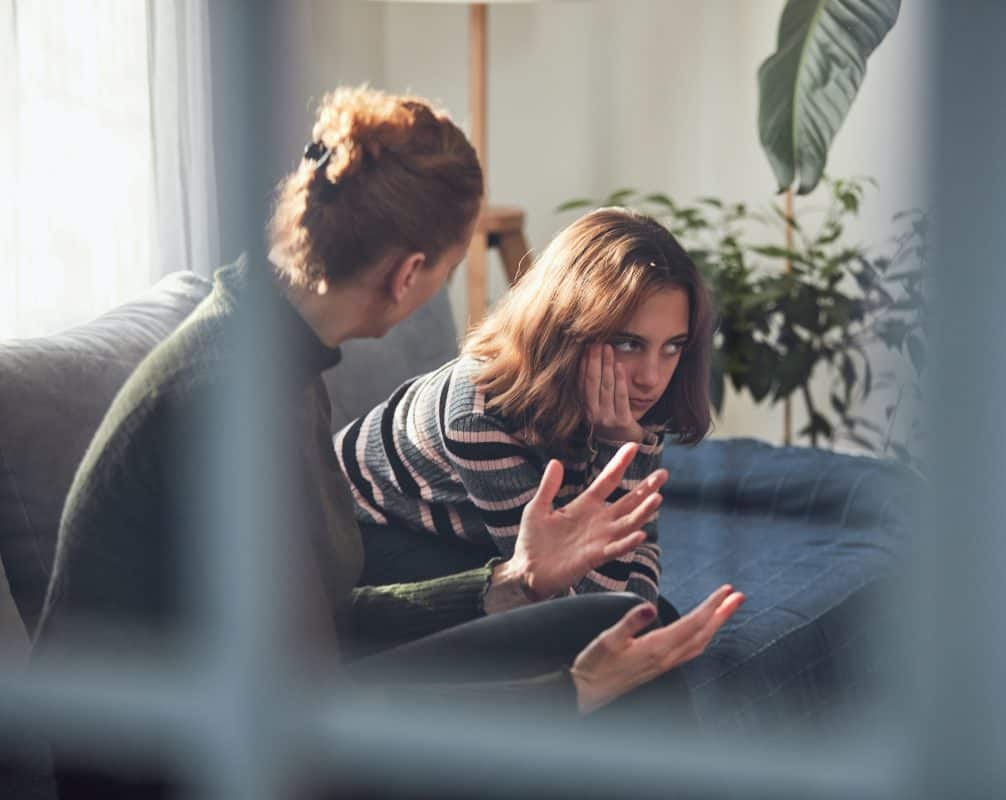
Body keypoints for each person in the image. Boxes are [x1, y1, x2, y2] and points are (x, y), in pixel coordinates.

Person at [33, 86, 742, 798]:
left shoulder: (274, 357)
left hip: (262, 698)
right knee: (615, 677)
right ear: (410, 275)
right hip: (176, 760)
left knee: (622, 623)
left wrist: (512, 582)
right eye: (450, 265)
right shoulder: (228, 404)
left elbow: (329, 619)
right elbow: (301, 712)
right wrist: (569, 691)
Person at [337, 207, 713, 614]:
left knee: (654, 619)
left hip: (480, 537)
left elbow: (635, 559)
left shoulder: (636, 395)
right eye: (628, 343)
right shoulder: (479, 413)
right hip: (363, 534)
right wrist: (617, 448)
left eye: (672, 346)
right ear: (569, 327)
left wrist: (622, 443)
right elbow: (572, 602)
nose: (651, 377)